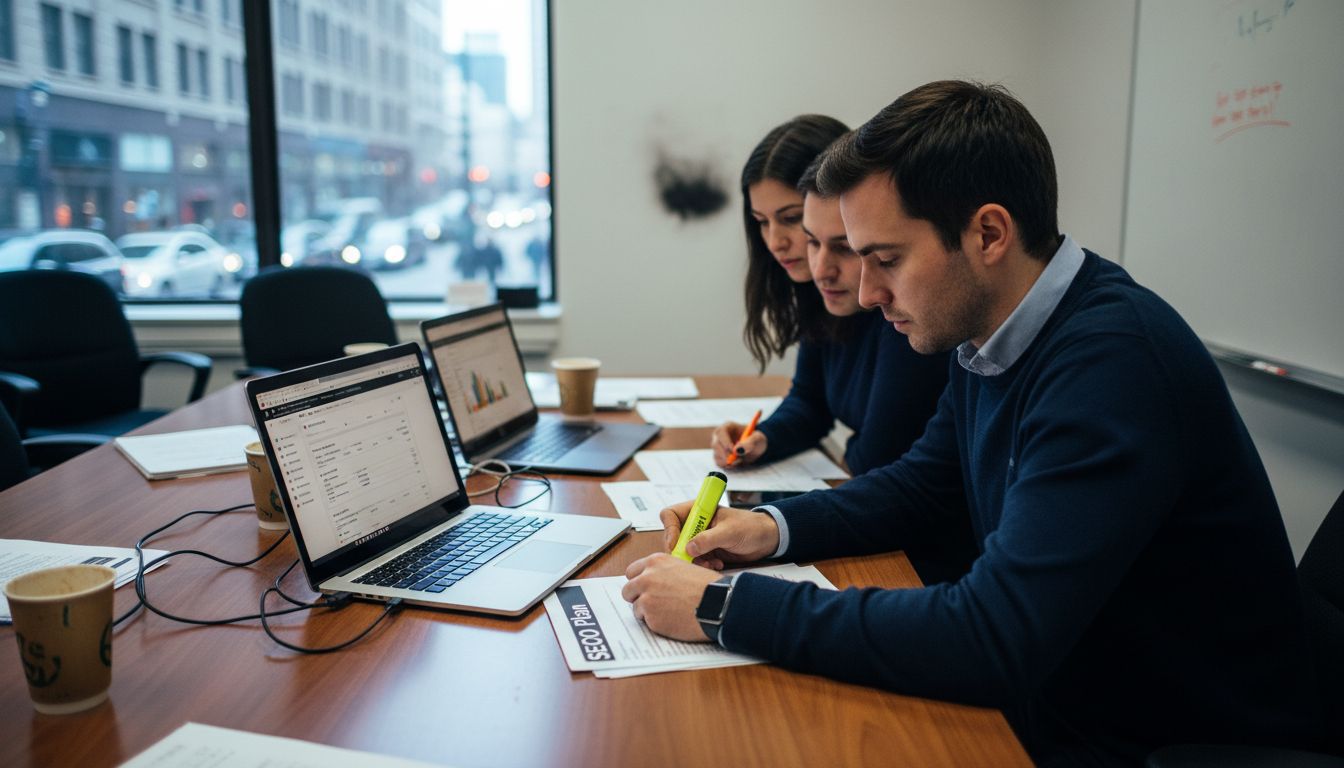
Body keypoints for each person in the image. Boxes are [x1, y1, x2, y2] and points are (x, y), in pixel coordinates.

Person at [622, 81, 1324, 766]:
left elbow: (992, 637)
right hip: (1065, 701)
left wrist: (723, 606)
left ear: (988, 233)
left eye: (885, 259)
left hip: (1147, 738)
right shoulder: (989, 329)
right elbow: (921, 486)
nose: (866, 292)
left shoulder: (1112, 364)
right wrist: (766, 525)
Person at [715, 116, 949, 480]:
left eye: (790, 218)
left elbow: (879, 455)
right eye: (761, 221)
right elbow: (811, 401)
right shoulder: (827, 292)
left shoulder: (901, 309)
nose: (775, 242)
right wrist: (765, 438)